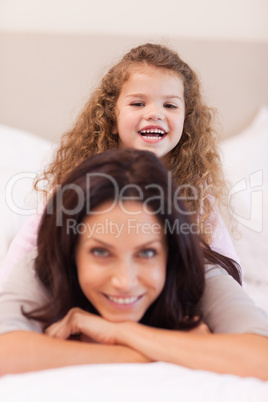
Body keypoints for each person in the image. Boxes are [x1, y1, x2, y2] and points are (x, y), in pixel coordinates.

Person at [0, 149, 267, 378]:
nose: (124, 281)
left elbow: (261, 356)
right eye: (101, 253)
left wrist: (120, 331)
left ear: (171, 252)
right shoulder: (43, 267)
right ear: (71, 252)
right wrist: (154, 351)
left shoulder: (197, 271)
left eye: (147, 253)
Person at [0, 42, 238, 285]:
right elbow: (28, 247)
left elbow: (226, 266)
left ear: (186, 122)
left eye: (170, 105)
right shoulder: (79, 182)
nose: (155, 113)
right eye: (138, 103)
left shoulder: (194, 189)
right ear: (111, 119)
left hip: (164, 302)